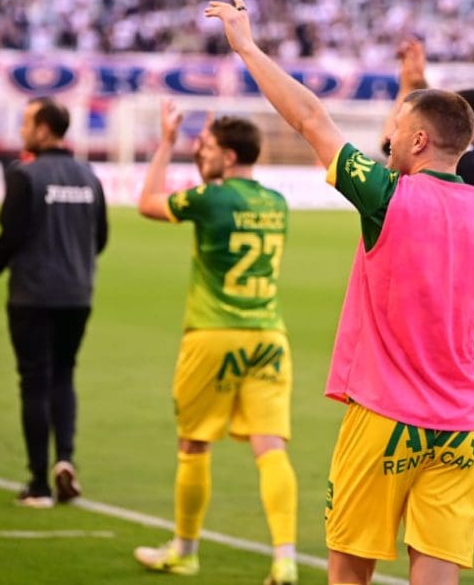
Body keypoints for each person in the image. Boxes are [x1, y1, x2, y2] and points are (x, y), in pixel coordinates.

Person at [205, 0, 474, 585]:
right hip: (458, 426)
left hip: (383, 418)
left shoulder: (386, 197)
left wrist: (246, 47)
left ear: (420, 141)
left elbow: (310, 119)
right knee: (437, 574)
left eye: (398, 128)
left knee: (349, 572)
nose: (389, 139)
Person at [132, 100, 299, 585]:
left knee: (194, 443)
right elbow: (228, 191)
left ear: (228, 156)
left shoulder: (208, 199)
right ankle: (285, 559)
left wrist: (166, 142)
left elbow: (148, 202)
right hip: (268, 335)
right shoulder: (276, 202)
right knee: (271, 447)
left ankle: (185, 552)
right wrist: (210, 152)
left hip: (214, 333)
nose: (198, 153)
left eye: (205, 148)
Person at [384, 40, 474, 545]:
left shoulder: (472, 169)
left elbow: (407, 158)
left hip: (449, 299)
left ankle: (420, 497)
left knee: (441, 398)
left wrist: (412, 87)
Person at [0, 96, 108, 507]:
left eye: (27, 122)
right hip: (77, 294)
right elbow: (100, 238)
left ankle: (39, 485)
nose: (22, 129)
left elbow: (9, 238)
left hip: (33, 295)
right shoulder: (89, 176)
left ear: (44, 129)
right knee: (64, 375)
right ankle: (65, 459)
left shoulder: (24, 176)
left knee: (34, 382)